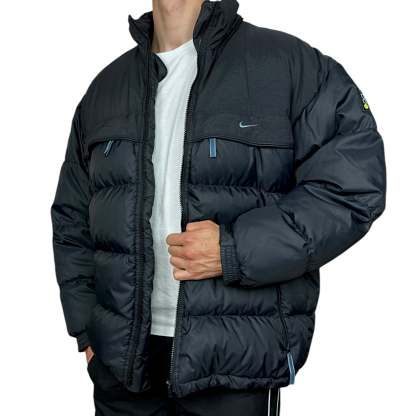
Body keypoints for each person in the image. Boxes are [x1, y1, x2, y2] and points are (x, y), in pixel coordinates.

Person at [50, 0, 387, 415]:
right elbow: (71, 219)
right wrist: (86, 332)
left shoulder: (290, 66)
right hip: (122, 371)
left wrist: (233, 250)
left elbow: (353, 187)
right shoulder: (106, 88)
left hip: (234, 364)